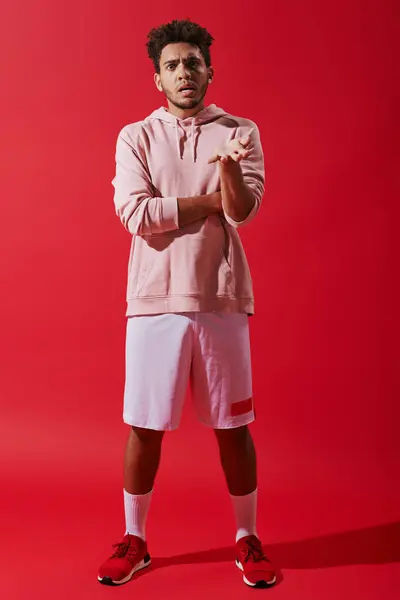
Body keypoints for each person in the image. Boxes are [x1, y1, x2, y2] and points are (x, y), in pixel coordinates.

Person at [98, 18, 277, 590]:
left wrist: (228, 166)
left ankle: (247, 538)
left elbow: (243, 210)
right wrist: (210, 198)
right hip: (154, 300)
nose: (184, 73)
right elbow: (136, 214)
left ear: (209, 70)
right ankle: (135, 540)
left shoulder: (239, 129)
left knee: (234, 425)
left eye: (193, 63)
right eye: (172, 65)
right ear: (158, 78)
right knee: (145, 426)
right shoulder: (136, 137)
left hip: (221, 298)